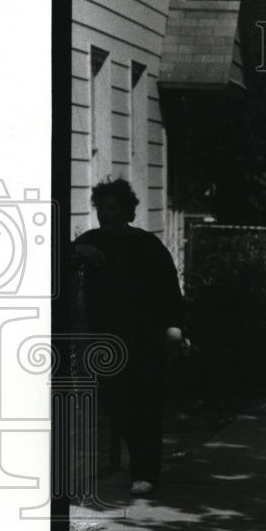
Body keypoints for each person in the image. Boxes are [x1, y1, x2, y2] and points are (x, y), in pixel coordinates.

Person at [72, 178, 186, 497]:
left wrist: (174, 326)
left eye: (113, 208)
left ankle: (145, 472)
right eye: (101, 208)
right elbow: (55, 260)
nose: (106, 214)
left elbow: (169, 289)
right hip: (105, 340)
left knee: (145, 405)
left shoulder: (147, 244)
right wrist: (79, 249)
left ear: (127, 210)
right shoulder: (90, 241)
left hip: (145, 339)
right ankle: (138, 461)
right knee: (116, 406)